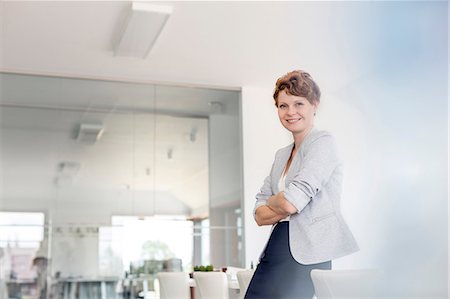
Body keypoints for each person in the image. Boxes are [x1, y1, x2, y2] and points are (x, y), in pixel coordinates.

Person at [244, 70, 359, 299]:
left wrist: (275, 201)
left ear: (314, 105)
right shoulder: (281, 155)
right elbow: (258, 214)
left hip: (309, 250)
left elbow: (290, 204)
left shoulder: (323, 143)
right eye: (283, 106)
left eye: (298, 103)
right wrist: (281, 201)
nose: (290, 112)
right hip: (277, 245)